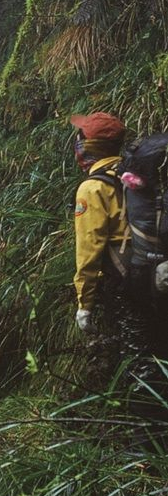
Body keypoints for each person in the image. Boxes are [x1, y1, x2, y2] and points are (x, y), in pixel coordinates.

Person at [69, 110, 163, 383]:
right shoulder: (135, 172)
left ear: (87, 146)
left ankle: (143, 419)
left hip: (127, 282)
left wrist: (84, 303)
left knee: (139, 358)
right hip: (155, 269)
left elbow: (89, 250)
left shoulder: (92, 188)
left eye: (80, 138)